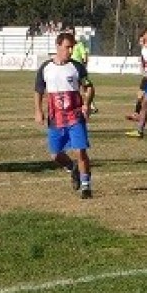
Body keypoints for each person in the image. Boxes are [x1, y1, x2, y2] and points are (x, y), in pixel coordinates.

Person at [34, 32, 95, 199]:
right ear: (58, 46)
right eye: (67, 47)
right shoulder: (45, 68)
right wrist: (38, 110)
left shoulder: (77, 67)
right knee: (55, 155)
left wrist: (86, 103)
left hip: (75, 116)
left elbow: (89, 87)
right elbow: (38, 90)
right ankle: (72, 167)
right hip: (55, 117)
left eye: (72, 47)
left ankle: (86, 187)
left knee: (80, 151)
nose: (70, 51)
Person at [70, 34, 98, 113]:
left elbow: (84, 55)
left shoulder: (79, 44)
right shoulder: (70, 46)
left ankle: (90, 105)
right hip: (71, 68)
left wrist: (84, 65)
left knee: (85, 87)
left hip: (78, 68)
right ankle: (90, 105)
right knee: (80, 88)